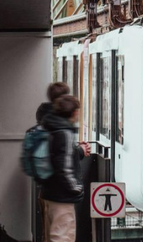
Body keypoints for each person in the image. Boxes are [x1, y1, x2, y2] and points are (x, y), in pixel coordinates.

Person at [40, 95, 87, 242]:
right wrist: (75, 187)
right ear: (74, 113)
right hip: (61, 197)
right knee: (62, 237)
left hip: (48, 193)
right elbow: (63, 167)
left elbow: (56, 157)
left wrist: (78, 151)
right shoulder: (64, 133)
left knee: (50, 237)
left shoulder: (49, 129)